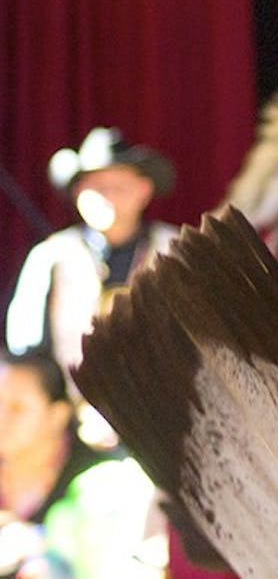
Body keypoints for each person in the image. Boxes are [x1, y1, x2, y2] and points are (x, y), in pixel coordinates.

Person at [6, 129, 176, 370]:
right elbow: (25, 347)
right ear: (77, 193)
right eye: (96, 188)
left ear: (143, 190)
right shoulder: (51, 256)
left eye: (118, 187)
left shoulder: (174, 249)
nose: (107, 198)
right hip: (73, 401)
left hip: (163, 400)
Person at [0, 350, 159, 579]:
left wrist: (40, 545)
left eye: (18, 408)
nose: (2, 418)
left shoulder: (102, 482)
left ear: (58, 415)